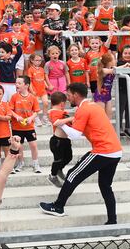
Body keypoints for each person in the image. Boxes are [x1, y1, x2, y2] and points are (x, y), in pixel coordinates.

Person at [40, 82, 122, 224]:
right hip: (115, 151)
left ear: (76, 95)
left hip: (103, 150)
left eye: (69, 95)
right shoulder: (93, 106)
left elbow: (75, 135)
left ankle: (58, 207)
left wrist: (62, 124)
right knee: (105, 185)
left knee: (72, 174)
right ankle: (112, 221)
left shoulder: (83, 109)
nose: (68, 98)